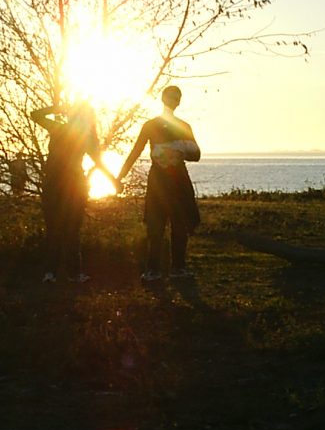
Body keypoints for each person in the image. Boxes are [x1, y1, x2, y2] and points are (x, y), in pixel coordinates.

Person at [117, 85, 201, 281]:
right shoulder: (152, 125)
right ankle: (154, 269)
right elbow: (135, 152)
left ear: (179, 101)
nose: (174, 100)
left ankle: (177, 268)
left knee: (179, 225)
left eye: (177, 97)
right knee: (156, 226)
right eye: (172, 96)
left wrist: (178, 150)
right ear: (164, 99)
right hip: (160, 180)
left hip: (176, 179)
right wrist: (119, 177)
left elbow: (196, 154)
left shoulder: (183, 126)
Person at [30, 101, 120, 282]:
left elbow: (35, 115)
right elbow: (98, 162)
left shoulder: (59, 129)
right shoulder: (83, 136)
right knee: (70, 230)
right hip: (69, 186)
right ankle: (70, 273)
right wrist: (113, 181)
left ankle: (53, 273)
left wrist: (57, 109)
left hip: (57, 185)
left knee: (57, 229)